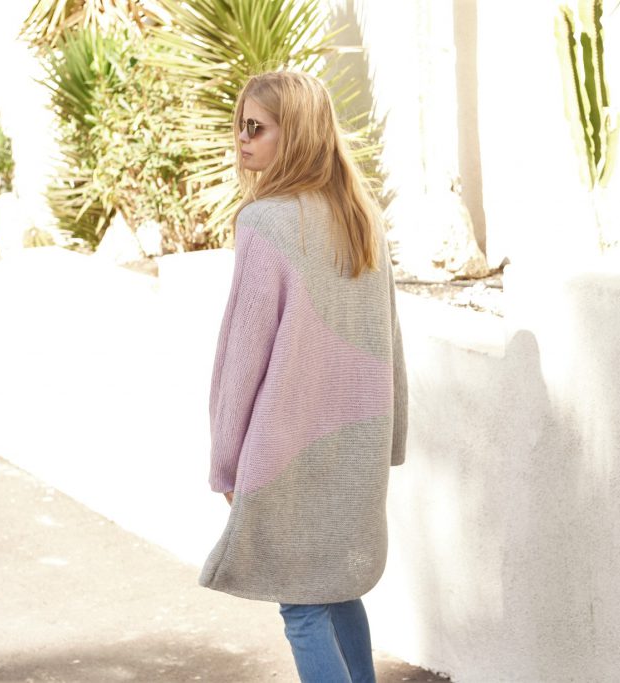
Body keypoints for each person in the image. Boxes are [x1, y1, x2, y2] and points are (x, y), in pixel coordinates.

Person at [198, 70, 408, 683]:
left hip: (284, 447)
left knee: (302, 606)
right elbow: (389, 339)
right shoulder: (361, 217)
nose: (242, 139)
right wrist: (392, 439)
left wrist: (226, 460)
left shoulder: (265, 222)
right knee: (337, 589)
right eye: (240, 126)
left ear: (295, 135)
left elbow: (243, 355)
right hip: (358, 442)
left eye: (256, 127)